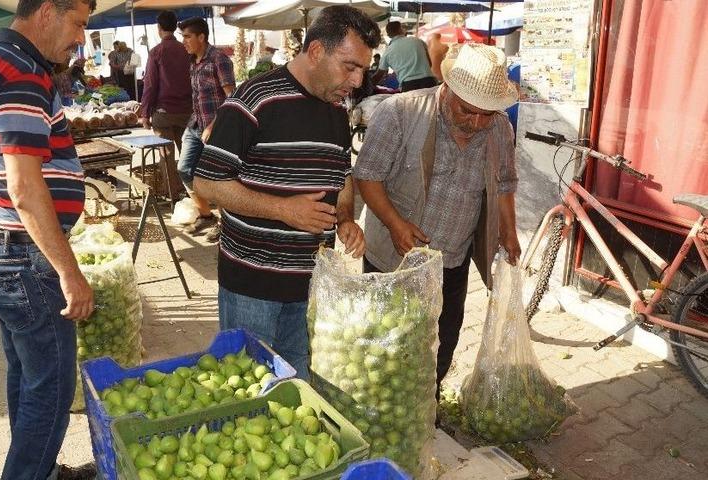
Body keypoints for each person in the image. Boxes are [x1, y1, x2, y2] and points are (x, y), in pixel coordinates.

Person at [193, 5, 378, 379]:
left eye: (363, 69)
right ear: (315, 52)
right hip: (252, 286)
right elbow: (207, 182)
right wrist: (283, 209)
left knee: (295, 389)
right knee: (244, 387)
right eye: (350, 66)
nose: (357, 81)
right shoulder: (255, 100)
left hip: (309, 285)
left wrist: (344, 218)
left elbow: (341, 176)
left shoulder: (336, 112)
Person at [0, 0, 97, 479]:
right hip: (24, 258)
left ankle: (38, 468)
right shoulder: (22, 71)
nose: (81, 37)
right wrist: (69, 272)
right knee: (51, 392)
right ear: (47, 12)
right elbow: (23, 187)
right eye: (78, 23)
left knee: (28, 376)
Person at [354, 43, 521, 400]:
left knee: (441, 342)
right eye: (467, 111)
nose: (476, 123)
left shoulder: (499, 128)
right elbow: (366, 176)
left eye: (485, 115)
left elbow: (505, 182)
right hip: (394, 261)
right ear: (448, 89)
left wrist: (508, 231)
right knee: (384, 342)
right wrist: (396, 223)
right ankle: (376, 406)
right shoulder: (400, 112)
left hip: (453, 260)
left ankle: (423, 406)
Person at [177, 17, 235, 238]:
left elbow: (232, 99)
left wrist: (212, 125)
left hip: (216, 128)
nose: (184, 42)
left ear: (201, 37)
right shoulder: (194, 61)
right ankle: (206, 215)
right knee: (185, 169)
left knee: (218, 178)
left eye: (187, 37)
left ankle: (225, 226)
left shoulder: (218, 59)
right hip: (195, 126)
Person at [138, 10, 192, 186]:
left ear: (159, 28)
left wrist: (145, 114)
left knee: (166, 155)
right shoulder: (187, 49)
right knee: (188, 154)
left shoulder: (156, 52)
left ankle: (173, 193)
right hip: (187, 111)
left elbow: (150, 85)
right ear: (176, 26)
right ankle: (194, 192)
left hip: (163, 113)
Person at [373, 21, 436, 91]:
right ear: (401, 30)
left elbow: (379, 75)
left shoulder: (387, 52)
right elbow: (429, 63)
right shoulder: (418, 41)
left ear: (389, 35)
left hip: (409, 86)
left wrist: (366, 87)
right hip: (429, 82)